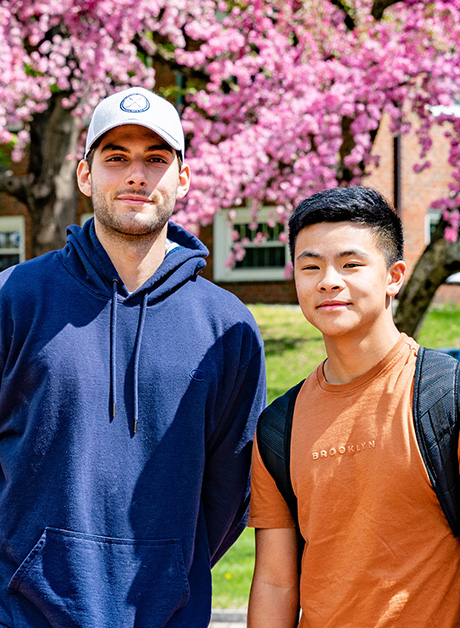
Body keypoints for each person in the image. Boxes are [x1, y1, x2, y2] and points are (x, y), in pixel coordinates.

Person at [0, 86, 266, 628]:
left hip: (169, 614)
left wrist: (169, 570)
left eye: (156, 159)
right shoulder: (15, 299)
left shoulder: (227, 326)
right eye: (116, 158)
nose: (136, 176)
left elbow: (228, 491)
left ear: (183, 178)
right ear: (84, 174)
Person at [247, 186, 460, 627]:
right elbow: (275, 582)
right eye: (310, 267)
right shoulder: (277, 429)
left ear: (394, 276)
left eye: (351, 264)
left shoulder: (447, 396)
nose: (328, 280)